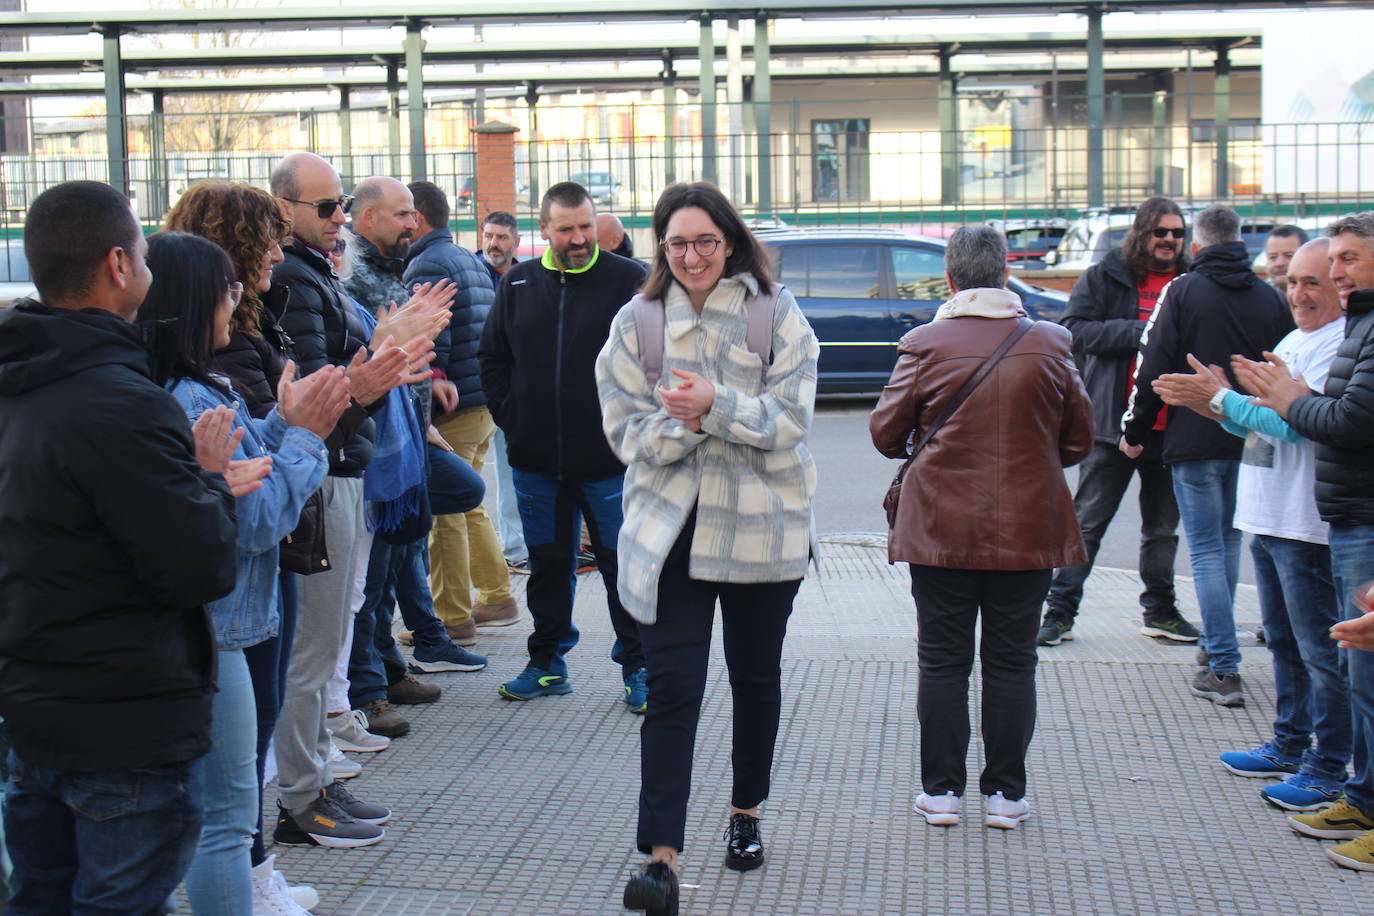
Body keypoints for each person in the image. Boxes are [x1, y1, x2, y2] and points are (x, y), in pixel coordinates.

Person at [0, 181, 239, 912]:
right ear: (117, 264)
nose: (149, 267)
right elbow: (197, 564)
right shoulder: (122, 402)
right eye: (143, 251)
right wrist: (210, 482)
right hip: (124, 726)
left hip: (33, 710)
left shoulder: (21, 385)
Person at [599, 182, 818, 912]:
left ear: (731, 240)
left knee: (755, 681)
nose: (692, 256)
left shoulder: (774, 312)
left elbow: (792, 418)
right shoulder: (639, 322)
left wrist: (714, 406)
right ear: (660, 248)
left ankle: (746, 813)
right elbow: (626, 432)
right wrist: (687, 426)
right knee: (672, 692)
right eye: (677, 244)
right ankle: (660, 856)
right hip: (671, 534)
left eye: (706, 242)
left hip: (763, 530)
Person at [138, 231, 351, 915]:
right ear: (197, 300)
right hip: (219, 626)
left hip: (221, 622)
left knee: (204, 814)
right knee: (223, 822)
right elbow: (254, 525)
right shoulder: (185, 399)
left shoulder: (187, 384)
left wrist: (286, 425)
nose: (239, 301)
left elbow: (251, 467)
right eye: (229, 290)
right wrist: (306, 437)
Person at [870, 225, 1093, 833]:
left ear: (950, 279)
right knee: (1012, 663)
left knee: (942, 663)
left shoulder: (924, 343)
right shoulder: (1050, 343)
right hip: (1028, 528)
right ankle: (1006, 797)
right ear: (1003, 275)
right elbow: (1077, 439)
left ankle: (941, 794)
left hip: (941, 528)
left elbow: (885, 435)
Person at [270, 151, 436, 848]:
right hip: (324, 469)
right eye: (327, 207)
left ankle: (314, 779)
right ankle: (303, 793)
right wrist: (371, 369)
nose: (340, 220)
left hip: (340, 465)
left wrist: (383, 348)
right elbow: (311, 390)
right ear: (284, 211)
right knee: (311, 650)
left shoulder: (315, 276)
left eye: (341, 205)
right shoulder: (293, 282)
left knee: (328, 635)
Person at [1152, 238, 1349, 812]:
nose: (1299, 293)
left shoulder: (1340, 345)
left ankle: (1326, 768)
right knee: (1284, 642)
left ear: (1340, 285)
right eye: (1293, 282)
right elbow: (1261, 426)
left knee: (1320, 651)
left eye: (1313, 282)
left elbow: (1298, 424)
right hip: (1268, 512)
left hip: (1304, 521)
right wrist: (1215, 405)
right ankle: (1290, 744)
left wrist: (1224, 400)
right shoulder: (1294, 340)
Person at [1233, 211, 1374, 872]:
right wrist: (1235, 401)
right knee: (1300, 645)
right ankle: (1335, 775)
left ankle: (1328, 769)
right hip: (1297, 514)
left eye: (1341, 264)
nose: (1314, 287)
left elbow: (1332, 423)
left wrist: (1256, 400)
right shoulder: (1320, 335)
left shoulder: (1351, 334)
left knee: (1339, 658)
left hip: (1326, 522)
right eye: (1297, 279)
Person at [479, 181, 647, 704]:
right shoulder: (519, 283)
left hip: (608, 463)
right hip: (535, 463)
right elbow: (492, 358)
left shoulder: (630, 281)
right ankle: (547, 662)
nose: (578, 238)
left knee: (624, 568)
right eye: (566, 228)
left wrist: (631, 428)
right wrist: (514, 419)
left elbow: (658, 363)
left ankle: (639, 667)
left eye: (585, 226)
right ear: (544, 228)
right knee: (548, 567)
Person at [1122, 204, 1293, 708]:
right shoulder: (1269, 297)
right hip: (1253, 440)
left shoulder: (1184, 289)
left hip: (1194, 440)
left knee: (1206, 553)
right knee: (1230, 544)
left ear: (1197, 245)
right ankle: (1219, 651)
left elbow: (1152, 358)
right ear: (1242, 242)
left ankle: (1222, 665)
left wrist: (1134, 428)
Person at [342, 179, 484, 741]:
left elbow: (403, 359)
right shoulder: (353, 276)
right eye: (403, 214)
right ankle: (367, 689)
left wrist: (425, 409)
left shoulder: (391, 269)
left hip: (406, 436)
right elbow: (361, 359)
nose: (412, 223)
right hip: (376, 449)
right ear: (369, 215)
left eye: (414, 214)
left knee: (398, 558)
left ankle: (391, 669)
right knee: (371, 578)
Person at [1039, 197, 1195, 647]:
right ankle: (1059, 614)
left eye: (1177, 233)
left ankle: (1161, 612)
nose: (1168, 240)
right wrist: (1142, 332)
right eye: (1160, 231)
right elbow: (1073, 332)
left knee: (1162, 529)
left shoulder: (1190, 282)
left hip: (1172, 426)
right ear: (1142, 233)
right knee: (1086, 524)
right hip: (1112, 425)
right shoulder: (1105, 276)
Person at [405, 185, 523, 638]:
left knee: (445, 516)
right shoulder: (464, 259)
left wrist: (430, 396)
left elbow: (429, 337)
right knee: (468, 503)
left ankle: (452, 618)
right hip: (480, 404)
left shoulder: (429, 263)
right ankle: (497, 597)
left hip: (453, 406)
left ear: (416, 217)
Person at [475, 209, 530, 572]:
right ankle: (505, 551)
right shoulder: (472, 274)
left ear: (516, 242)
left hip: (516, 393)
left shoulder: (526, 277)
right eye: (489, 236)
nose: (494, 244)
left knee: (512, 473)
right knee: (478, 476)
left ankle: (516, 550)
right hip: (477, 393)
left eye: (502, 237)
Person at [1264, 224, 1309, 293]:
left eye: (1289, 256)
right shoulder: (1258, 297)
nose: (1279, 263)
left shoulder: (1323, 297)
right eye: (1273, 257)